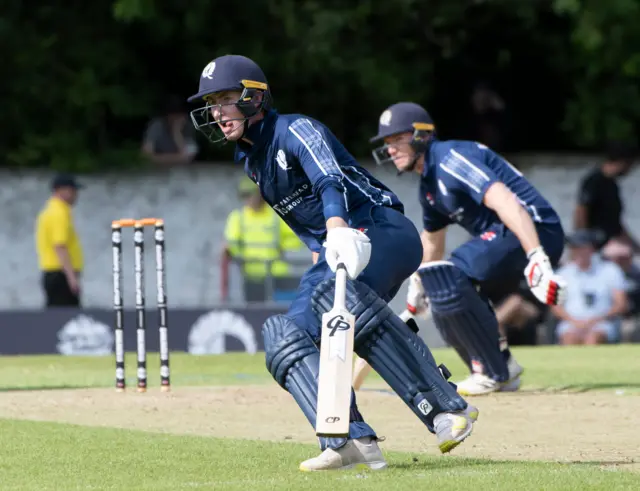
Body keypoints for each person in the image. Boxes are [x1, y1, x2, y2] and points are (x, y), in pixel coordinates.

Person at [188, 55, 478, 471]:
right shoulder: (254, 163)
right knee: (283, 337)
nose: (216, 111)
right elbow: (305, 226)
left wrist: (338, 228)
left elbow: (329, 179)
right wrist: (323, 248)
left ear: (253, 97)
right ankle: (348, 440)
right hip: (337, 248)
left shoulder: (295, 129)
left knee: (332, 298)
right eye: (211, 103)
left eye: (225, 98)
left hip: (382, 230)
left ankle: (446, 410)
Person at [368, 102, 567, 396]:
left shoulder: (451, 158)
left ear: (421, 136)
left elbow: (506, 201)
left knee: (450, 275)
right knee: (440, 282)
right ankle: (498, 368)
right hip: (505, 234)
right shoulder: (430, 185)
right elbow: (433, 240)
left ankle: (492, 371)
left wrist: (536, 255)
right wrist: (418, 284)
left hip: (533, 228)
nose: (392, 150)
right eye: (387, 144)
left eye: (398, 139)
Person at [222, 177, 306, 302]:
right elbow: (231, 244)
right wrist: (229, 250)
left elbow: (295, 239)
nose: (248, 199)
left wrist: (284, 247)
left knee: (279, 312)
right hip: (251, 275)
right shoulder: (237, 217)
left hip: (276, 273)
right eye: (244, 195)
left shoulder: (276, 215)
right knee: (254, 314)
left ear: (260, 194)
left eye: (250, 194)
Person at [551, 230, 628, 345]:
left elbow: (621, 304)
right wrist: (574, 321)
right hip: (571, 322)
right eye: (575, 248)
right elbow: (555, 307)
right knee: (569, 337)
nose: (578, 252)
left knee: (593, 338)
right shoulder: (563, 274)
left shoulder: (610, 270)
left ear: (592, 249)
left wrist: (596, 320)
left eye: (582, 248)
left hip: (603, 321)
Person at [574, 142, 638, 251]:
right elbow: (581, 211)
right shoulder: (594, 181)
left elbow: (615, 224)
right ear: (622, 163)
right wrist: (582, 245)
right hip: (595, 244)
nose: (630, 171)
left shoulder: (613, 186)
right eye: (630, 166)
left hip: (612, 243)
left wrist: (635, 246)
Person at [35, 174, 84, 307]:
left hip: (54, 273)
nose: (76, 195)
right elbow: (60, 246)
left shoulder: (50, 210)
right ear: (60, 190)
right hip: (60, 274)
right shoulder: (58, 213)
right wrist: (71, 278)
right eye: (73, 190)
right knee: (65, 318)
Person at [142, 95, 199, 167]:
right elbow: (146, 156)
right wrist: (177, 158)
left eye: (179, 115)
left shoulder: (188, 127)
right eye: (173, 115)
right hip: (158, 170)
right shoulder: (156, 126)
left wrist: (177, 133)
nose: (176, 119)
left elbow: (188, 156)